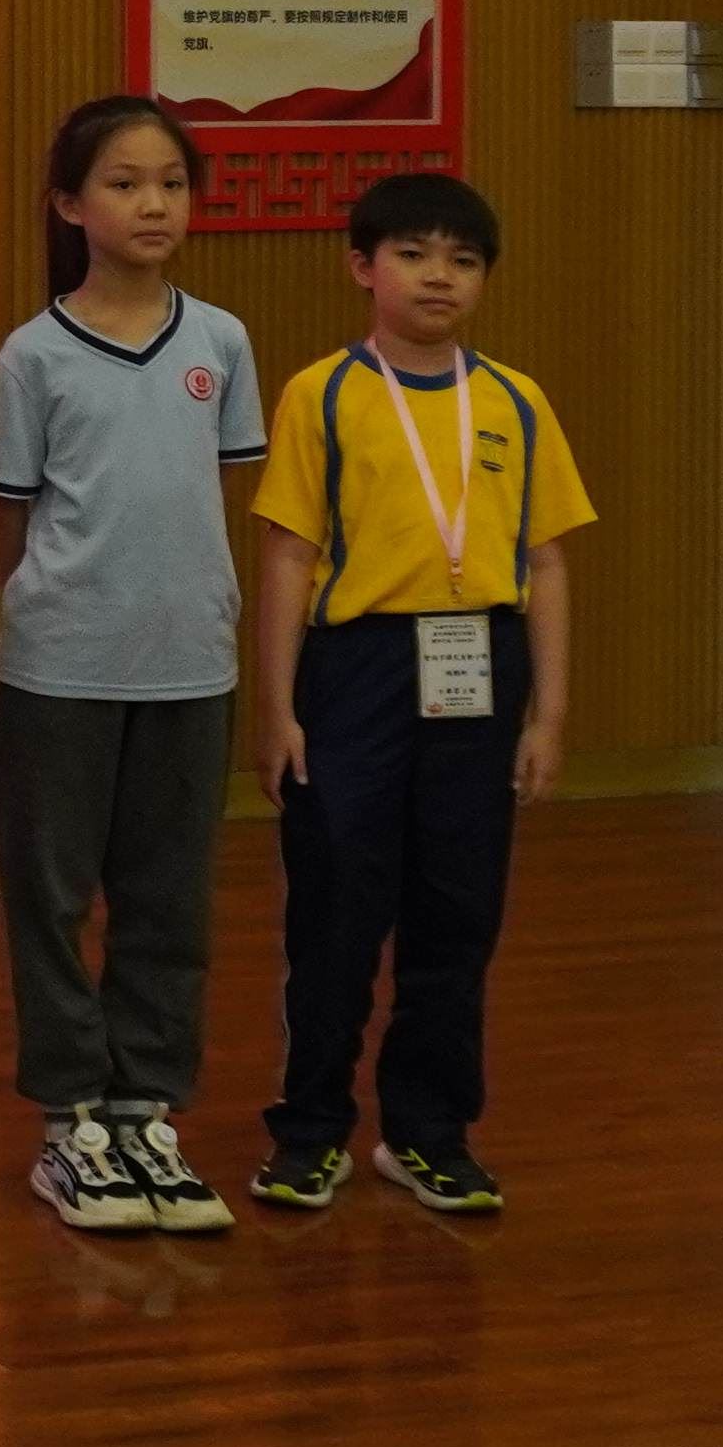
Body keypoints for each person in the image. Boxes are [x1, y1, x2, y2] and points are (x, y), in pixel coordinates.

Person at [247, 170, 589, 1220]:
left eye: (463, 259)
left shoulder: (518, 401)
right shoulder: (322, 393)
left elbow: (547, 563)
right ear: (363, 266)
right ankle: (310, 1132)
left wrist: (549, 715)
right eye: (413, 254)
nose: (439, 276)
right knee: (337, 912)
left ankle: (428, 1133)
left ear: (484, 278)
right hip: (355, 671)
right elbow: (287, 557)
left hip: (480, 663)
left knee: (458, 910)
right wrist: (277, 709)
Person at [0, 95, 268, 1236]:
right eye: (124, 182)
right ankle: (72, 1122)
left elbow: (218, 495)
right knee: (50, 900)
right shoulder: (34, 353)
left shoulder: (220, 341)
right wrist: (58, 615)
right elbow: (11, 522)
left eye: (171, 184)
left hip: (190, 666)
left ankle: (146, 1109)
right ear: (68, 204)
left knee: (168, 899)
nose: (154, 204)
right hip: (59, 671)